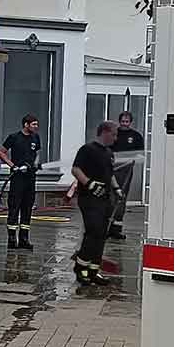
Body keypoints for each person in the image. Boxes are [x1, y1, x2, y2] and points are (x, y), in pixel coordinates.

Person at [71, 120, 121, 285]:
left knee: (101, 235)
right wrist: (90, 184)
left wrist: (117, 188)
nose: (116, 138)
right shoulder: (87, 150)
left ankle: (93, 271)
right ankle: (81, 268)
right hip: (89, 199)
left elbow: (110, 173)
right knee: (93, 232)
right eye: (114, 134)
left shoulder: (108, 152)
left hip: (105, 199)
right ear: (105, 132)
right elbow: (76, 169)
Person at [0, 114, 41, 250]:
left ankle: (24, 239)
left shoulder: (35, 138)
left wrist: (35, 164)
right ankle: (11, 239)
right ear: (26, 125)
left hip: (30, 179)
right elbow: (1, 152)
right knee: (14, 207)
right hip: (17, 179)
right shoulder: (14, 137)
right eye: (33, 124)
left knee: (27, 208)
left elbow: (37, 153)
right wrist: (13, 166)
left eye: (36, 124)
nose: (36, 127)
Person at [108, 111, 144, 241]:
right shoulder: (114, 134)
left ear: (130, 122)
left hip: (127, 171)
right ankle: (107, 227)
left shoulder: (136, 136)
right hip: (113, 169)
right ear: (119, 121)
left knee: (121, 197)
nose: (124, 124)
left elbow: (140, 152)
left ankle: (117, 229)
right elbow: (107, 149)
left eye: (127, 121)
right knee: (110, 197)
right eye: (122, 121)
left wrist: (136, 157)